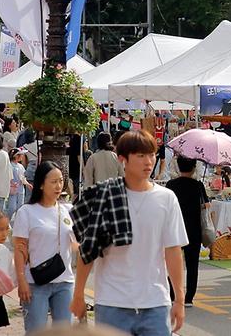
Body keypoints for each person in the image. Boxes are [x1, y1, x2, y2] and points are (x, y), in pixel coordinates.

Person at [70, 130, 188, 336]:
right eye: (140, 156)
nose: (148, 162)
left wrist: (179, 298)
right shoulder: (105, 196)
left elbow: (173, 250)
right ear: (122, 159)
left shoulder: (167, 198)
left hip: (155, 303)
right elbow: (88, 249)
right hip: (111, 303)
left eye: (151, 155)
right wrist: (78, 294)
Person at [13, 161, 76, 334]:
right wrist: (21, 280)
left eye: (61, 181)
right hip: (35, 283)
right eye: (53, 181)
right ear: (41, 184)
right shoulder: (26, 212)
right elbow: (20, 248)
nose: (58, 186)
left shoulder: (67, 210)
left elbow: (76, 245)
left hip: (65, 281)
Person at [166, 156, 209, 306]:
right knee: (192, 265)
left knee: (172, 262)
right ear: (193, 168)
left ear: (178, 167)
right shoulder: (198, 185)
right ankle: (189, 297)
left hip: (174, 228)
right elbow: (206, 205)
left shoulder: (171, 184)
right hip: (194, 228)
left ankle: (172, 294)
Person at [7, 147, 32, 223]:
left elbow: (22, 177)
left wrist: (27, 184)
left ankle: (18, 223)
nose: (22, 156)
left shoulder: (20, 166)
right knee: (12, 207)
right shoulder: (9, 165)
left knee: (20, 208)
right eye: (20, 155)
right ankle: (7, 220)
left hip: (20, 189)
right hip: (12, 189)